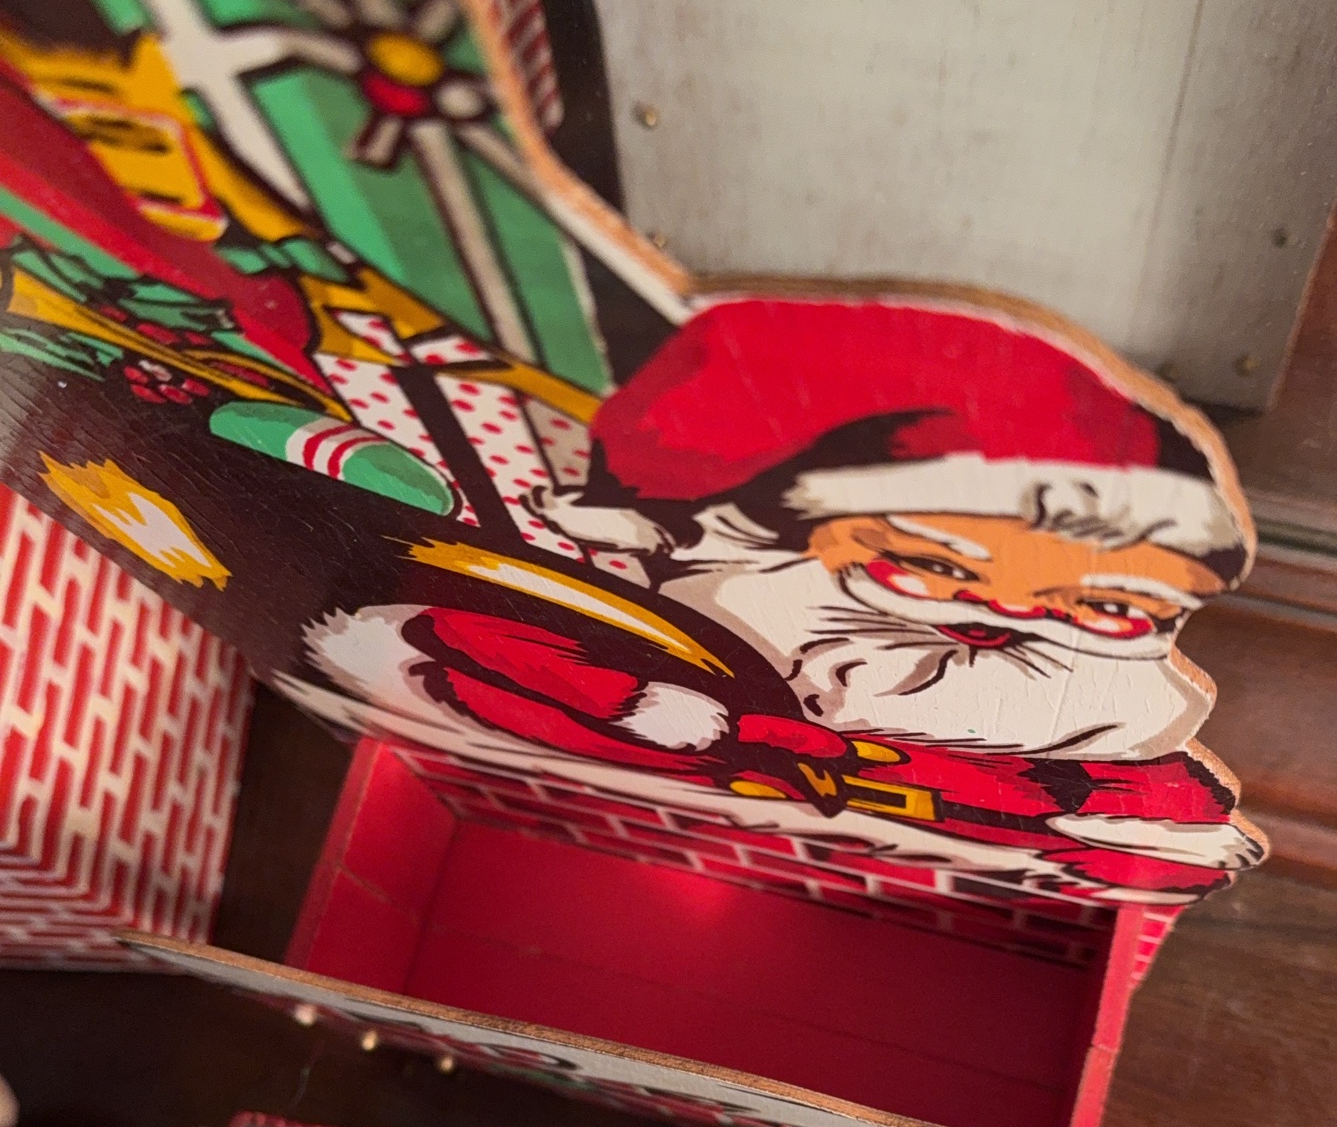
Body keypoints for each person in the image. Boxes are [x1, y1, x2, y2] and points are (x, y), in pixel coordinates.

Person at [295, 297, 1263, 902]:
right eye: (925, 569)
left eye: (1104, 607)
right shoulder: (708, 612)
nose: (1003, 618)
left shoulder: (1091, 766)